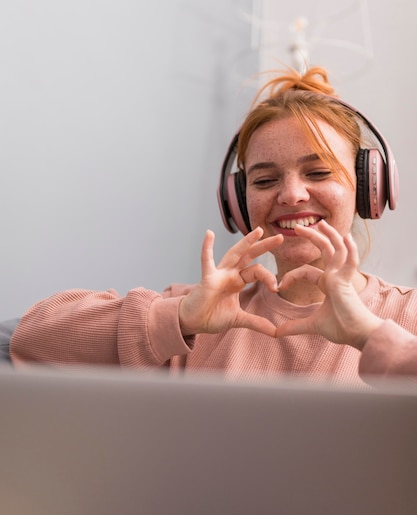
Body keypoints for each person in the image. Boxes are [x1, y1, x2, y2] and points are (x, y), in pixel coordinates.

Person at [9, 66, 417, 385]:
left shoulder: (408, 315)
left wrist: (368, 335)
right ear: (238, 204)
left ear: (368, 187)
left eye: (317, 173)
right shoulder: (199, 313)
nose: (291, 194)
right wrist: (178, 319)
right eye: (264, 180)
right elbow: (28, 342)